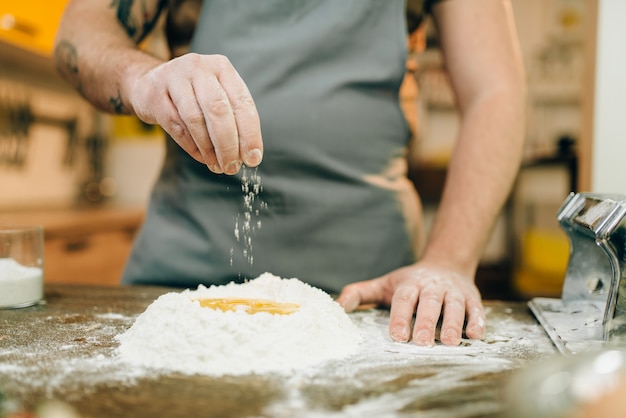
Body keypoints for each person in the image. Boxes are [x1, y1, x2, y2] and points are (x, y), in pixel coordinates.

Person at [54, 0, 526, 347]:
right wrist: (140, 78)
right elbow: (82, 30)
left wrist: (449, 260)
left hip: (370, 294)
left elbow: (495, 91)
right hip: (181, 279)